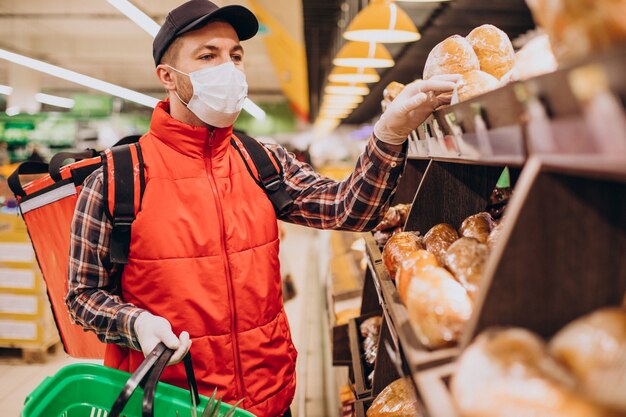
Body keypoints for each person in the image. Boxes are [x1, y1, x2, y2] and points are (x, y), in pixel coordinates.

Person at [65, 1, 459, 416]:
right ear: (167, 77)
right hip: (173, 403)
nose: (229, 68)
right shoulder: (116, 180)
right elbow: (82, 295)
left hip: (270, 399)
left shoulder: (263, 162)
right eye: (207, 56)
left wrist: (389, 134)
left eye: (235, 56)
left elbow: (347, 211)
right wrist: (136, 324)